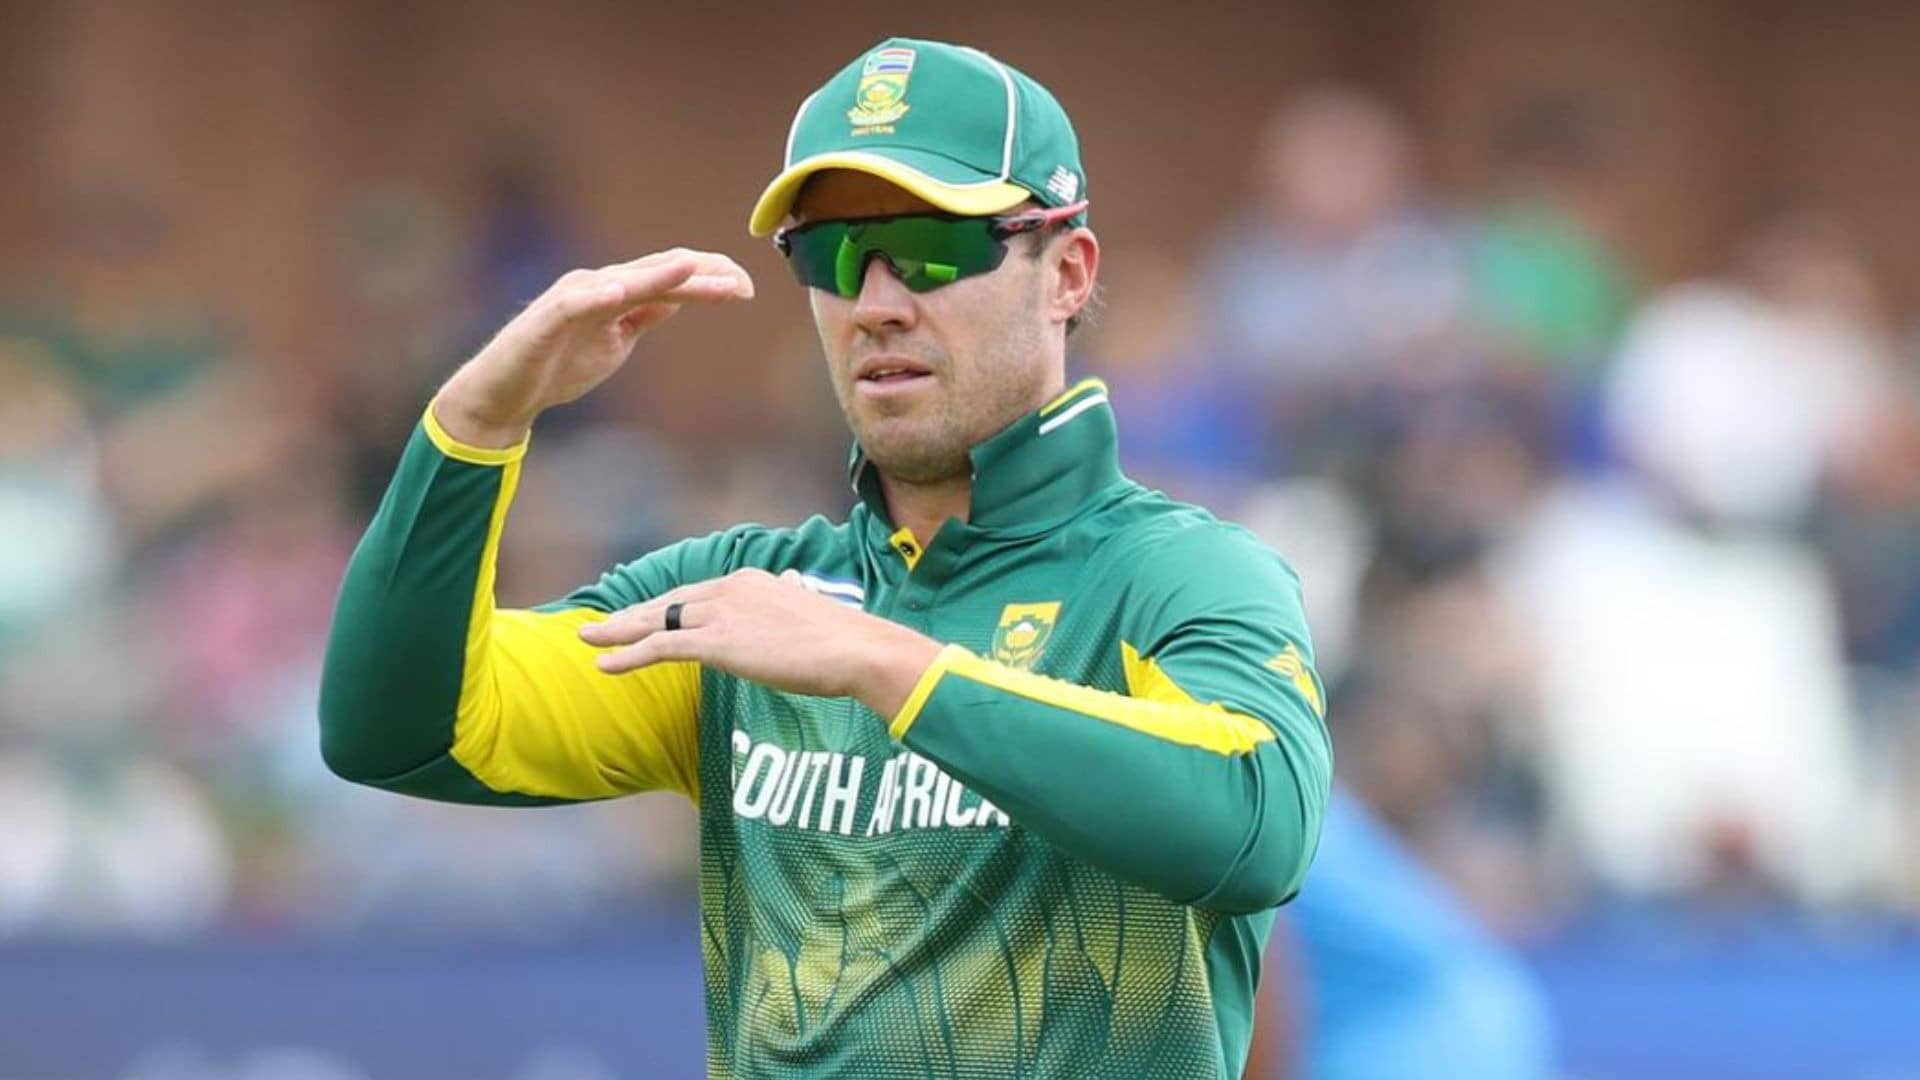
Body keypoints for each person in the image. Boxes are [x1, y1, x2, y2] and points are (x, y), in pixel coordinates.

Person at [319, 37, 1330, 1079]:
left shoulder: (1180, 576)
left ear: (1066, 273)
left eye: (932, 247)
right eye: (833, 254)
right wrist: (477, 422)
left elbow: (1255, 827)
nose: (876, 302)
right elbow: (395, 732)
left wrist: (883, 663)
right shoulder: (745, 599)